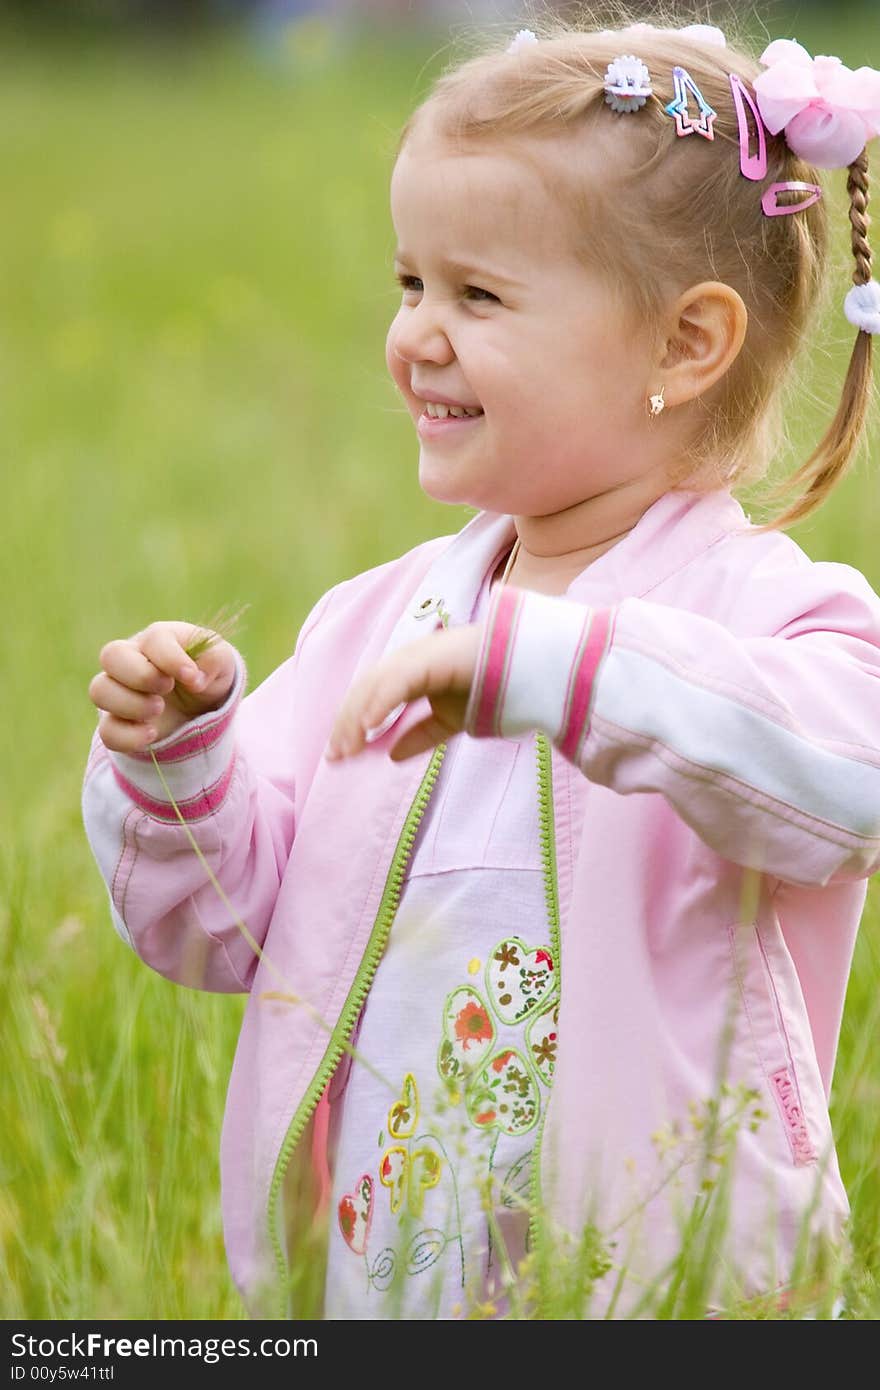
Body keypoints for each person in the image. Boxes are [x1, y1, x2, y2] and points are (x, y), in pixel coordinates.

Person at [82, 15, 880, 1319]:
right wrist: (180, 766)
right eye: (411, 284)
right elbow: (227, 930)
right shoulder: (377, 621)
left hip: (668, 1297)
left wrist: (559, 671)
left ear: (687, 343)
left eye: (479, 295)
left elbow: (851, 780)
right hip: (381, 1287)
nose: (416, 337)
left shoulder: (763, 620)